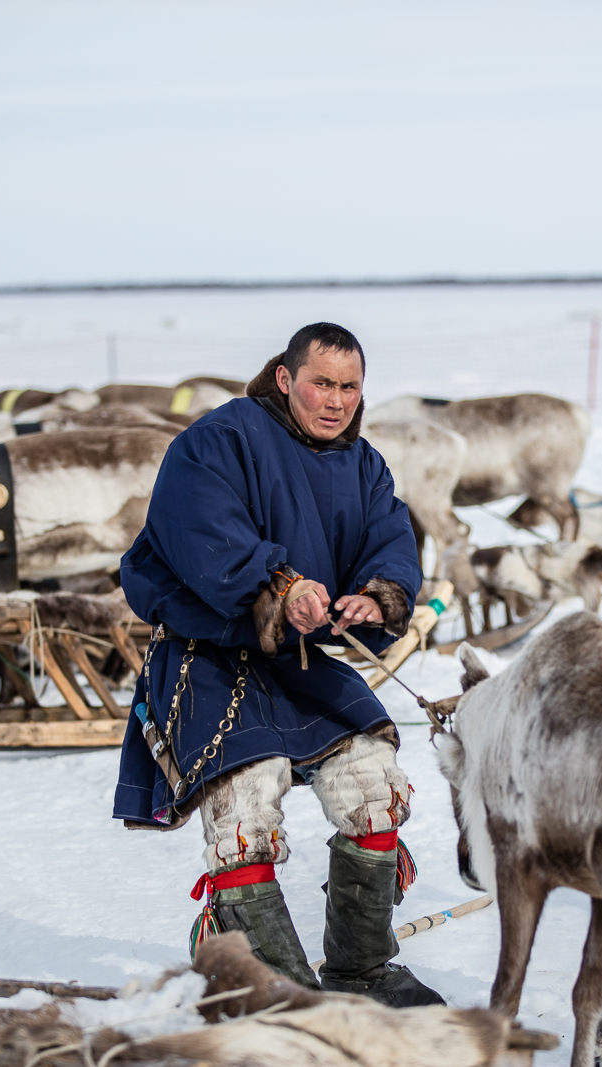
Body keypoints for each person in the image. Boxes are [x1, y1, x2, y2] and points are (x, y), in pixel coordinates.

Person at [114, 322, 442, 1007]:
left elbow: (389, 535)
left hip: (295, 661)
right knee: (246, 809)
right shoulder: (217, 440)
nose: (337, 401)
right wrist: (280, 587)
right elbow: (200, 530)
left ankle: (361, 967)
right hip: (204, 656)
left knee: (372, 785)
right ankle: (278, 993)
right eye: (322, 383)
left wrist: (376, 596)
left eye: (350, 387)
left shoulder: (364, 463)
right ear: (286, 378)